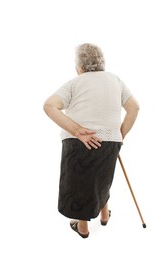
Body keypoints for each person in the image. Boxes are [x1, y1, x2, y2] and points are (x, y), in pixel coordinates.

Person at [43, 43, 139, 238]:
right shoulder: (116, 80)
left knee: (80, 184)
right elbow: (134, 108)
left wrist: (77, 130)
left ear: (79, 67)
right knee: (102, 178)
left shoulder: (75, 83)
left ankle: (83, 227)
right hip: (111, 141)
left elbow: (49, 105)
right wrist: (119, 135)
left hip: (79, 142)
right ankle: (104, 215)